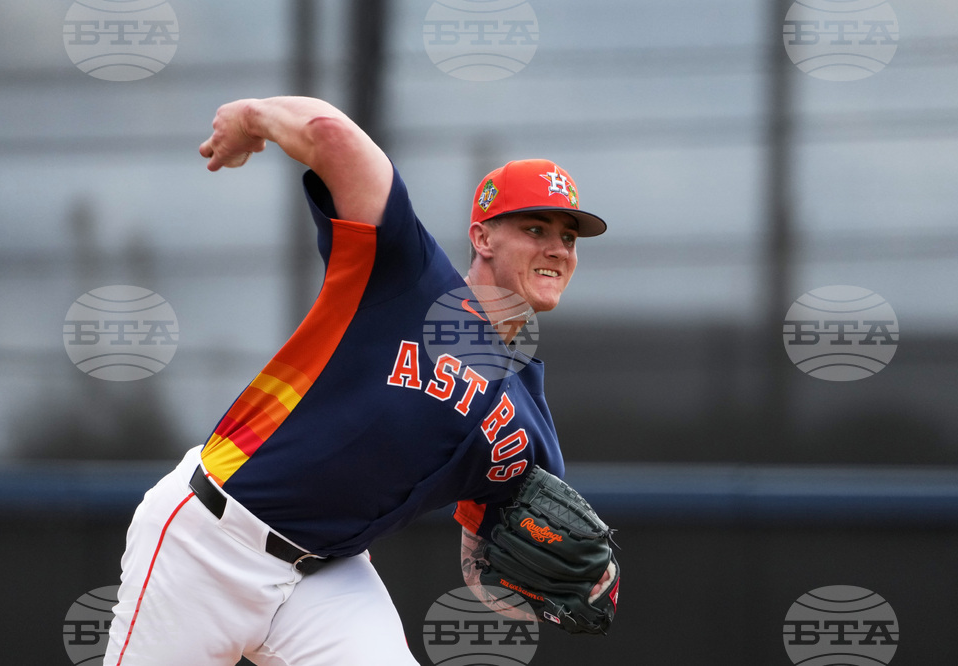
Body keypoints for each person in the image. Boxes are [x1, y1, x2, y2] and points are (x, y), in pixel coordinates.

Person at [105, 96, 612, 665]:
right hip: (209, 539)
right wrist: (250, 117)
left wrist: (535, 585)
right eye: (535, 227)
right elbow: (330, 133)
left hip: (329, 579)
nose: (556, 248)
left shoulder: (531, 428)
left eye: (568, 237)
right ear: (483, 237)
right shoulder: (408, 276)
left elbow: (482, 556)